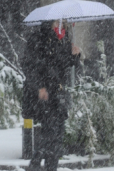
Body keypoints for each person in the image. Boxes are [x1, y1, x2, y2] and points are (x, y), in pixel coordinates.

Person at [21, 20, 81, 171]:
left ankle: (49, 167)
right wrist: (40, 86)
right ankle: (35, 165)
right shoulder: (39, 37)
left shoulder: (64, 39)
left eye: (65, 21)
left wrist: (74, 56)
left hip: (58, 93)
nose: (64, 24)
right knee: (50, 133)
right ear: (54, 22)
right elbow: (29, 64)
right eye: (61, 21)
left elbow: (63, 64)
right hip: (44, 94)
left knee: (57, 134)